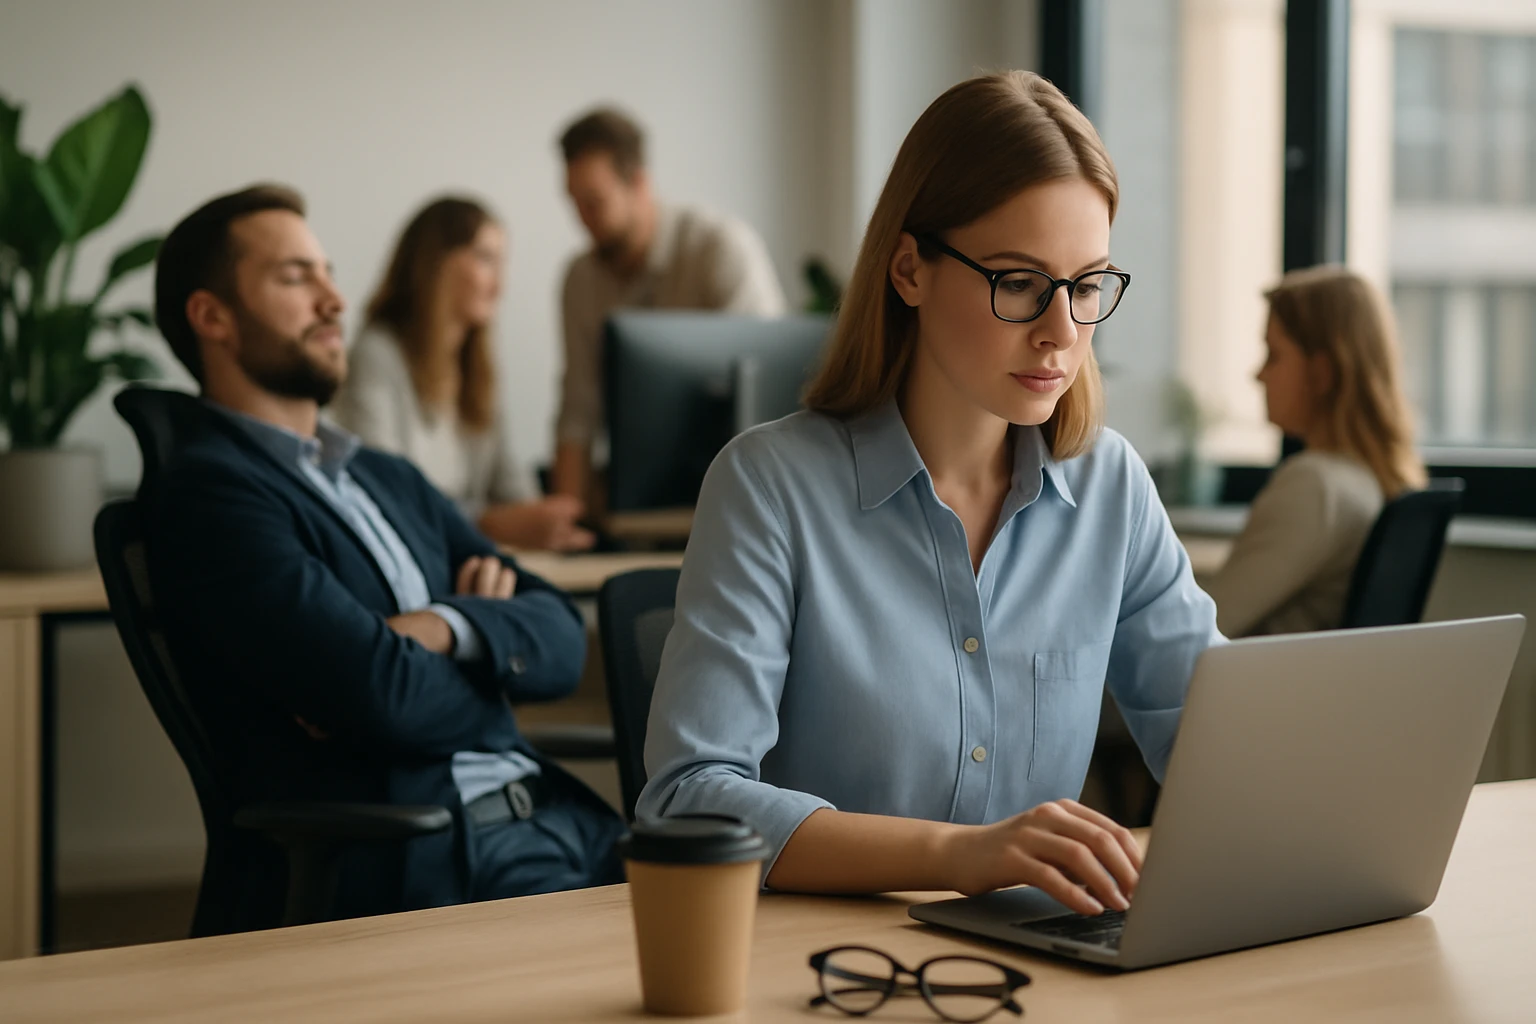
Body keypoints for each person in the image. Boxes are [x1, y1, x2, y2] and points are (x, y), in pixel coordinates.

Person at [636, 72, 1222, 916]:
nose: (1063, 331)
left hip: (1036, 973)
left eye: (1087, 285)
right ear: (909, 269)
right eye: (1019, 282)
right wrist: (963, 854)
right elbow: (689, 797)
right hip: (825, 972)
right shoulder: (770, 487)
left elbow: (1222, 750)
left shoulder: (1110, 485)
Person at [146, 185, 624, 918]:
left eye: (328, 272)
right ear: (213, 317)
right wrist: (491, 664)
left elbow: (559, 633)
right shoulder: (213, 494)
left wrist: (442, 628)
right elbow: (379, 692)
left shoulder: (387, 478)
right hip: (442, 859)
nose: (334, 300)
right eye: (295, 277)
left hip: (564, 823)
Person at [550, 106, 788, 505]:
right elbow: (577, 410)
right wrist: (564, 519)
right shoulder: (579, 280)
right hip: (636, 500)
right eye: (574, 203)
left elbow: (768, 391)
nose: (582, 220)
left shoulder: (720, 248)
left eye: (594, 202)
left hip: (739, 491)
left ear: (639, 184)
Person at [331, 197, 594, 552]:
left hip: (469, 554)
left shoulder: (476, 368)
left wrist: (544, 519)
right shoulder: (376, 355)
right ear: (436, 263)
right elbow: (386, 492)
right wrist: (487, 523)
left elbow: (511, 486)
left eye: (502, 262)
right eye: (485, 259)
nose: (498, 285)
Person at [1203, 267, 1427, 637]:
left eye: (1273, 355)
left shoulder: (1315, 485)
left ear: (1322, 372)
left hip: (1259, 691)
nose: (1258, 375)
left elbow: (1201, 631)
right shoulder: (1370, 479)